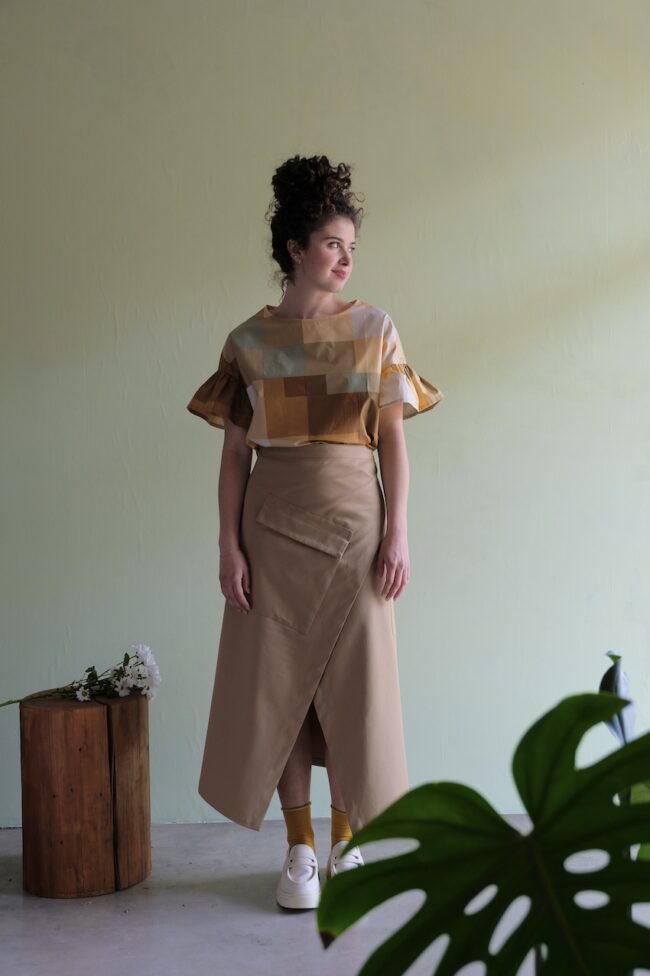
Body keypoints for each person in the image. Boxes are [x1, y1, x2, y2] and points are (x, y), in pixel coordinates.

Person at [186, 153, 444, 911]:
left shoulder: (375, 328)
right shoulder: (248, 342)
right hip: (270, 530)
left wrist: (399, 534)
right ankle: (299, 849)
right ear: (296, 248)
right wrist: (228, 547)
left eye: (351, 247)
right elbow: (234, 457)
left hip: (358, 529)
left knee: (354, 686)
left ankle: (345, 843)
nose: (346, 258)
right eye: (333, 243)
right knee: (282, 690)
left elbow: (392, 442)